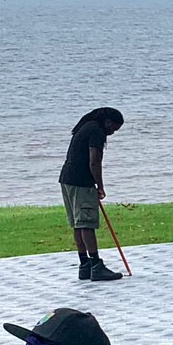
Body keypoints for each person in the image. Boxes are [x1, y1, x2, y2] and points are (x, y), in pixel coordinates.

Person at [60, 107, 124, 282]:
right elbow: (94, 161)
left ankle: (84, 265)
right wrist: (100, 186)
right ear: (108, 122)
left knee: (78, 224)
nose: (112, 133)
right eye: (113, 128)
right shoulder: (96, 131)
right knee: (86, 223)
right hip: (81, 181)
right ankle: (96, 266)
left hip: (67, 178)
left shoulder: (86, 126)